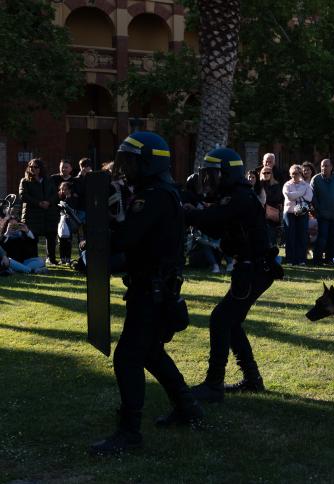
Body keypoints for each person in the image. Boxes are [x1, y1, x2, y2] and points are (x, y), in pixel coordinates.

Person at [90, 131, 201, 455]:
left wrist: (107, 217)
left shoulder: (152, 196)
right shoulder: (160, 192)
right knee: (151, 352)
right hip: (155, 287)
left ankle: (129, 433)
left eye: (132, 162)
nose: (126, 169)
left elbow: (126, 238)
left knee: (128, 357)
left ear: (149, 163)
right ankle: (188, 407)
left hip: (152, 291)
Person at [183, 147, 283, 402]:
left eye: (214, 174)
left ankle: (214, 384)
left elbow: (212, 220)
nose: (209, 181)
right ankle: (252, 379)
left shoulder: (238, 197)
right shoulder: (235, 195)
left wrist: (187, 210)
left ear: (226, 174)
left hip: (254, 269)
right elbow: (216, 226)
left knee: (220, 319)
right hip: (251, 268)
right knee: (231, 321)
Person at [19, 158, 59, 265]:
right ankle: (34, 258)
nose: (32, 169)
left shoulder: (49, 180)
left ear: (40, 168)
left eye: (35, 167)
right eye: (30, 167)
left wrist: (49, 202)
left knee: (51, 236)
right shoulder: (25, 181)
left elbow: (55, 194)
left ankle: (51, 259)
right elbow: (23, 196)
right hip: (32, 214)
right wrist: (39, 203)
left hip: (48, 213)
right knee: (32, 237)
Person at [310, 159, 334, 265]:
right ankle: (317, 260)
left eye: (326, 166)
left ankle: (329, 260)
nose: (324, 168)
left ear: (331, 167)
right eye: (322, 166)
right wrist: (318, 209)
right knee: (322, 238)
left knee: (332, 238)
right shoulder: (316, 179)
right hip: (322, 215)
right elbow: (313, 197)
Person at [282, 164, 313, 266]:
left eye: (298, 173)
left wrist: (297, 194)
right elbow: (289, 196)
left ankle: (301, 259)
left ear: (301, 174)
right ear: (290, 174)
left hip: (302, 213)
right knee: (290, 236)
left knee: (302, 236)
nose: (295, 175)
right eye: (293, 173)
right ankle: (290, 259)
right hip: (289, 213)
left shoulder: (306, 185)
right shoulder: (287, 185)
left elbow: (309, 198)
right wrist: (301, 193)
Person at [260, 165, 284, 248]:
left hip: (271, 213)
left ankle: (272, 255)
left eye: (268, 172)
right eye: (264, 172)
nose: (266, 174)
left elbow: (276, 198)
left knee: (271, 234)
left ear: (271, 174)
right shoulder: (258, 184)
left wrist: (265, 196)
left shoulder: (276, 185)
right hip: (260, 213)